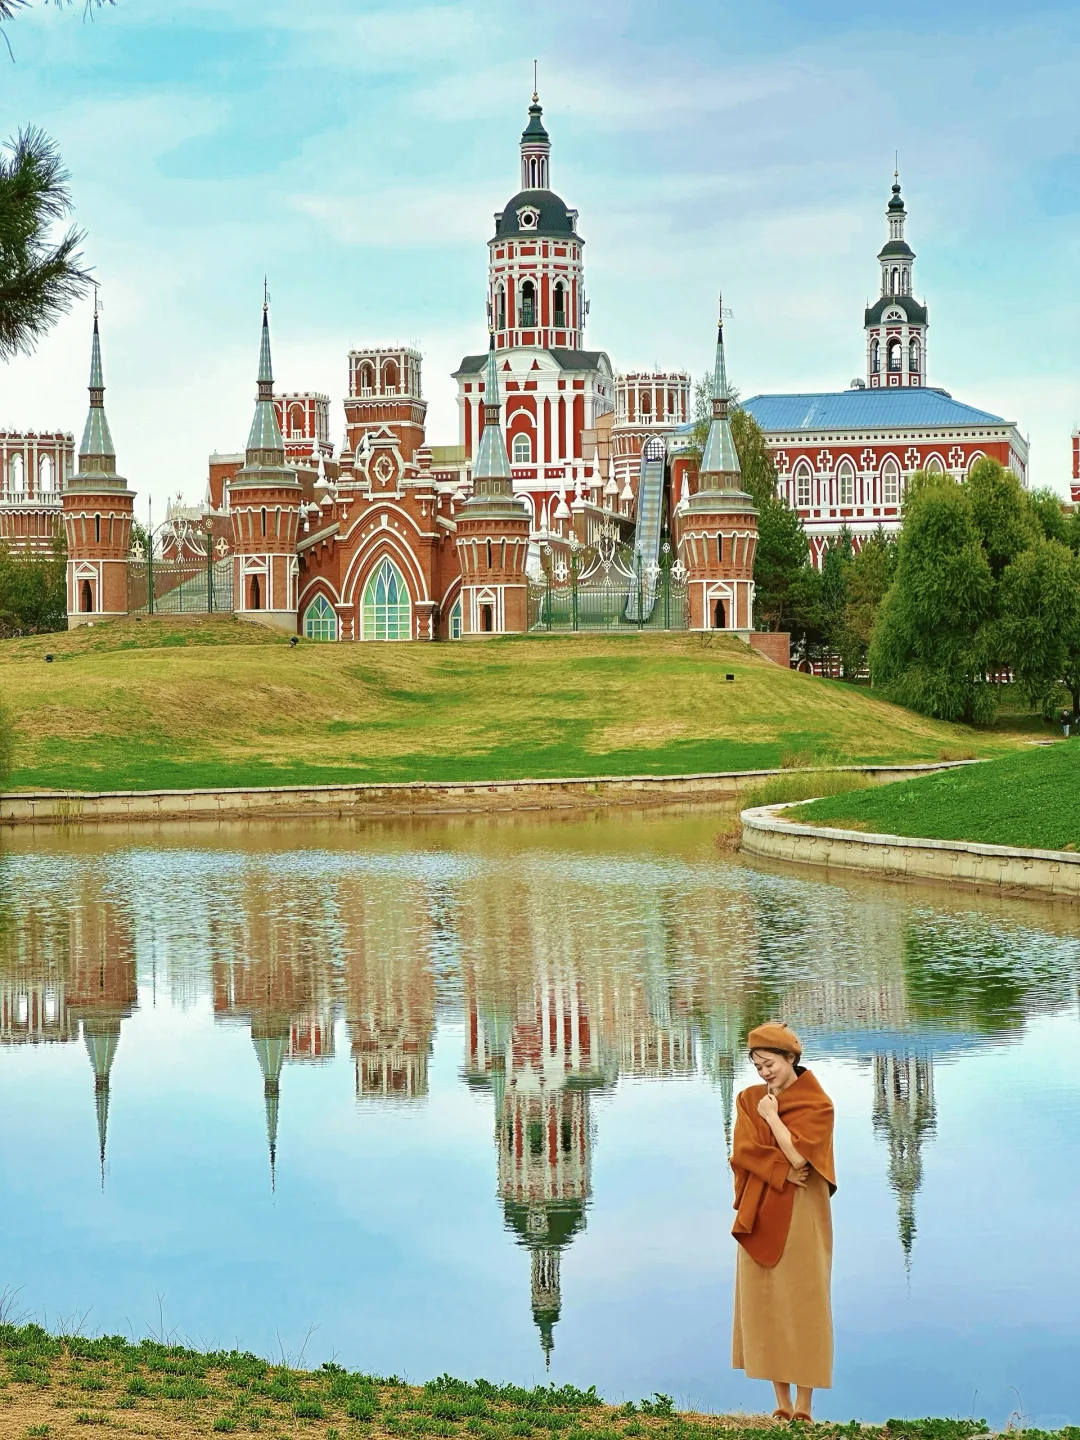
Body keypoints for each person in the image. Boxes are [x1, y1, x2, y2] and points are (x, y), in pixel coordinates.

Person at [730, 1022, 836, 1422]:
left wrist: (773, 1119)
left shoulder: (817, 1104)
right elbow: (742, 1150)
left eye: (769, 1063)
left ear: (791, 1058)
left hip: (803, 1210)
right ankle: (781, 1403)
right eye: (758, 1066)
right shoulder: (747, 1099)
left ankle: (805, 1407)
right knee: (767, 1299)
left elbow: (801, 1158)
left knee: (803, 1299)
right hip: (760, 1208)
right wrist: (779, 1168)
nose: (764, 1073)